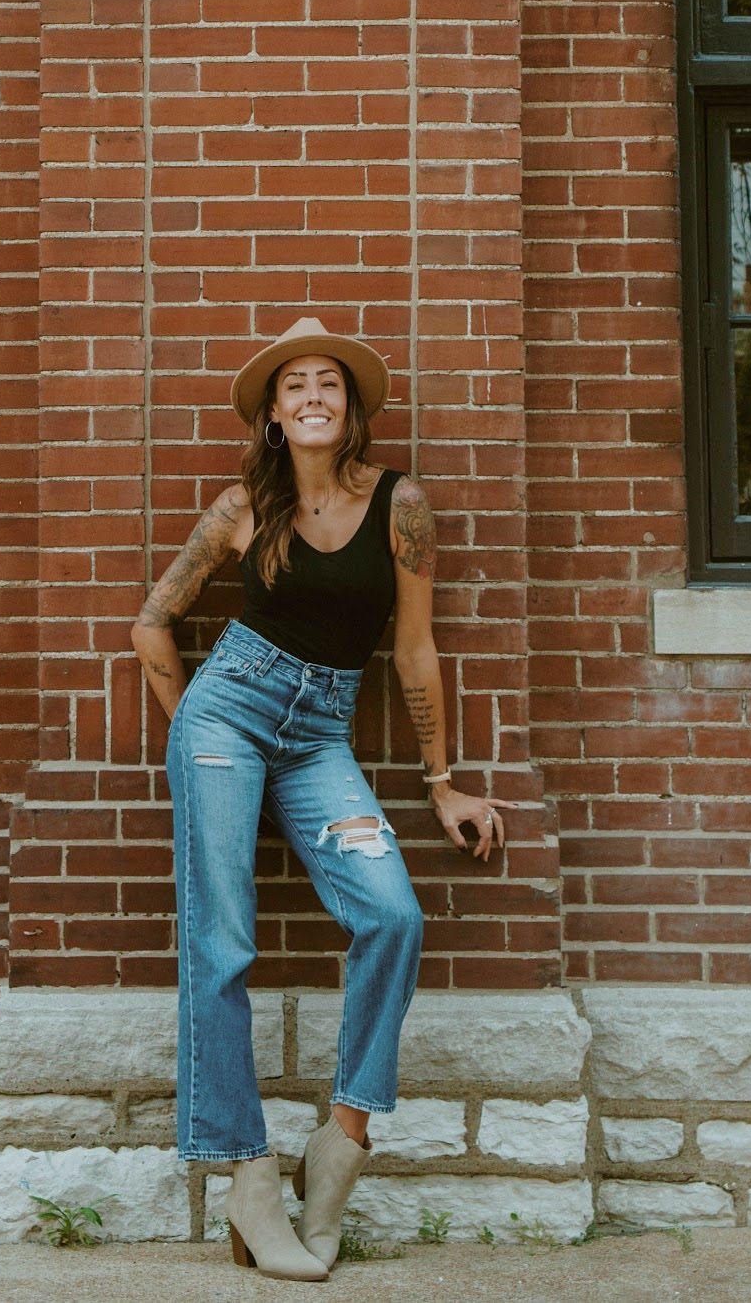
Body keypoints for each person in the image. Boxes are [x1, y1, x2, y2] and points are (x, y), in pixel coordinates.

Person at [130, 317, 509, 1280]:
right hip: (226, 712)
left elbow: (414, 649)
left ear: (350, 413)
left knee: (393, 914)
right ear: (272, 415)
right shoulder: (238, 510)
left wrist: (442, 781)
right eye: (292, 384)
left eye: (328, 384)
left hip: (319, 737)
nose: (310, 395)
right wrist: (195, 735)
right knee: (221, 940)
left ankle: (339, 1144)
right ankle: (248, 1176)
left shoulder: (400, 505)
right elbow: (152, 626)